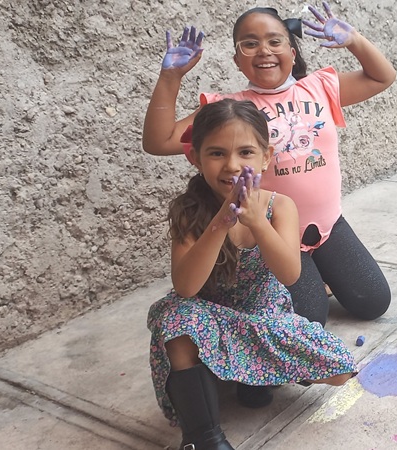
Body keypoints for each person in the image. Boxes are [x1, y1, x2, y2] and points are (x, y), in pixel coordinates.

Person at [142, 3, 395, 328]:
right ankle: (316, 280)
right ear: (237, 59)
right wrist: (170, 78)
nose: (264, 50)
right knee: (310, 318)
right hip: (275, 233)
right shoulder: (230, 109)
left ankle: (323, 274)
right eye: (250, 43)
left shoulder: (319, 86)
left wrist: (354, 40)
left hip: (329, 226)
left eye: (275, 41)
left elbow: (382, 76)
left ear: (291, 50)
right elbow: (159, 141)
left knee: (374, 302)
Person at [147, 99, 356, 450]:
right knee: (175, 322)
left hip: (261, 313)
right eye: (216, 153)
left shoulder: (280, 206)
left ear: (266, 156)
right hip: (205, 315)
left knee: (340, 372)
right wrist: (220, 223)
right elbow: (185, 287)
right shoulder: (189, 209)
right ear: (195, 158)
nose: (231, 166)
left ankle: (244, 370)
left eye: (245, 152)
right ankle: (203, 438)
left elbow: (289, 274)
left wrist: (257, 222)